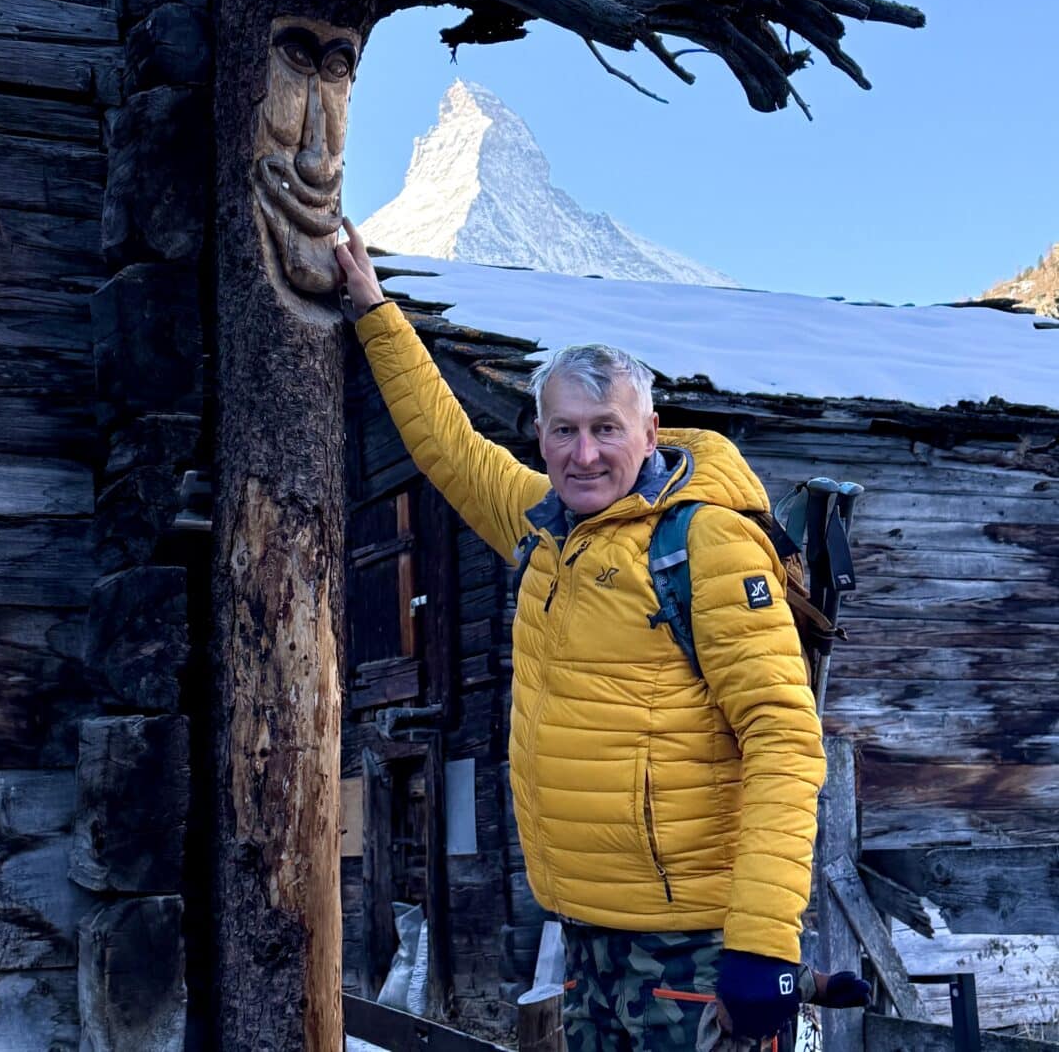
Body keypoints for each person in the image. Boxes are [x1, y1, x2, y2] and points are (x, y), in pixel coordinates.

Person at [337, 220, 835, 1051]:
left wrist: (762, 944)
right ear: (540, 435)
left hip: (695, 946)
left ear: (650, 431)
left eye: (607, 427)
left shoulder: (704, 542)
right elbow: (449, 446)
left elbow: (785, 739)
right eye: (564, 429)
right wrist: (375, 312)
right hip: (588, 938)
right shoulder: (546, 528)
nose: (585, 452)